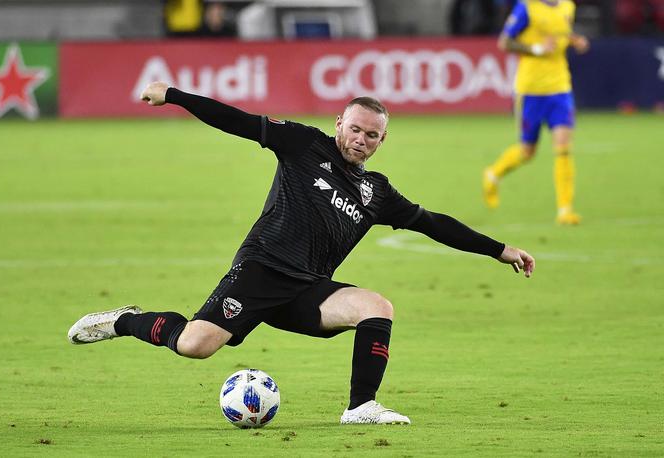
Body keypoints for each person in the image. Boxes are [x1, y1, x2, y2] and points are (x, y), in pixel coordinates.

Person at [68, 82, 536, 425]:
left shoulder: (377, 192)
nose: (361, 140)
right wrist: (174, 95)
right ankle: (123, 321)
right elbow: (238, 120)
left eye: (372, 136)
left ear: (381, 141)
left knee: (376, 308)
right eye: (355, 129)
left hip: (307, 289)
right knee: (193, 345)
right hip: (261, 270)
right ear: (339, 125)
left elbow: (433, 223)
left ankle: (360, 407)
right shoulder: (303, 143)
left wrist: (498, 250)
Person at [482, 0, 590, 225]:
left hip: (560, 88)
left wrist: (575, 40)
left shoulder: (567, 6)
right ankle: (493, 174)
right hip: (530, 90)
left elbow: (562, 33)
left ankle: (564, 210)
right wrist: (537, 49)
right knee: (527, 152)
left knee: (563, 147)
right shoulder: (527, 7)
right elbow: (505, 42)